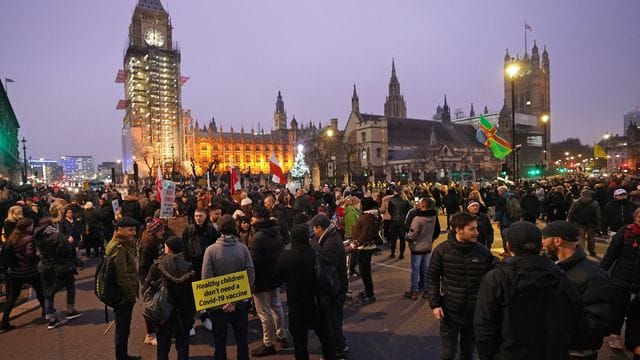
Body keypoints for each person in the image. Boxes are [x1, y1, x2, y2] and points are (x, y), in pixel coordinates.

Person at [474, 221, 581, 360]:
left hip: (509, 353)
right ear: (540, 245)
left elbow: (484, 326)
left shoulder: (496, 278)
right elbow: (572, 315)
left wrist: (487, 355)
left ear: (508, 246)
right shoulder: (559, 274)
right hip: (550, 352)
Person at [541, 221, 612, 360]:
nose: (542, 242)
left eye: (545, 238)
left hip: (576, 352)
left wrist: (561, 336)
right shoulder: (556, 266)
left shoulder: (593, 277)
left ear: (557, 241)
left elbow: (598, 323)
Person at [427, 212, 494, 360]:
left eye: (477, 228)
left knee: (468, 351)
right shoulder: (442, 250)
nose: (477, 232)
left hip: (474, 312)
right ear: (458, 230)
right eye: (472, 229)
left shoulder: (483, 252)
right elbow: (432, 277)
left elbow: (492, 279)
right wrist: (435, 304)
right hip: (450, 311)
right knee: (448, 352)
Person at [276, 224, 336, 360]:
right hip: (316, 301)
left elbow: (278, 272)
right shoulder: (315, 251)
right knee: (325, 336)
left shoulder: (287, 255)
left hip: (297, 304)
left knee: (300, 342)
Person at [202, 214, 255, 360]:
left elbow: (206, 279)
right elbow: (250, 274)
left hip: (218, 306)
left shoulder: (211, 251)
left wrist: (222, 300)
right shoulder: (243, 249)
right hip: (241, 303)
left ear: (219, 228)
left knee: (220, 342)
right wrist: (235, 300)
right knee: (242, 340)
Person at [143, 236, 196, 360]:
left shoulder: (157, 266)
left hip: (163, 312)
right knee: (183, 346)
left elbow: (146, 288)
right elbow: (193, 293)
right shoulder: (189, 267)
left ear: (168, 248)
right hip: (183, 313)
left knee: (163, 346)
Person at [250, 206, 288, 357]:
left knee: (264, 313)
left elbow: (253, 262)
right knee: (276, 307)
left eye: (253, 216)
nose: (251, 219)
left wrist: (251, 280)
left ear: (260, 218)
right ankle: (282, 335)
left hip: (261, 280)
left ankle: (268, 343)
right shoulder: (275, 231)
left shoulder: (258, 237)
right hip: (274, 276)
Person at [601, 207, 640, 350]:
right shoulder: (626, 231)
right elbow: (611, 253)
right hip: (621, 277)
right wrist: (601, 272)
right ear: (635, 217)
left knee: (636, 312)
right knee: (617, 308)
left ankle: (633, 341)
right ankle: (614, 335)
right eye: (638, 216)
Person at [34, 217, 82, 330]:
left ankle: (51, 319)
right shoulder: (57, 237)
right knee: (70, 286)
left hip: (45, 266)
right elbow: (67, 250)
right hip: (61, 266)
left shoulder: (37, 237)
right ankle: (70, 311)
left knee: (48, 293)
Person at [311, 214, 349, 358]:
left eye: (314, 228)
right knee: (333, 320)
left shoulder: (330, 243)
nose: (313, 231)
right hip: (336, 286)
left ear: (320, 228)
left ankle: (339, 350)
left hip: (335, 288)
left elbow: (327, 269)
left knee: (333, 320)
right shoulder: (329, 237)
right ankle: (339, 346)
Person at [105, 216, 141, 360]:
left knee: (123, 329)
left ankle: (123, 355)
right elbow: (122, 277)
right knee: (122, 329)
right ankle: (122, 357)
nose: (133, 233)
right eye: (130, 230)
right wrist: (131, 295)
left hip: (120, 295)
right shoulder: (119, 248)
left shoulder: (118, 244)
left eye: (134, 230)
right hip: (122, 297)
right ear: (120, 230)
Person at [0, 218, 45, 331]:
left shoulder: (13, 238)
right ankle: (46, 310)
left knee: (12, 297)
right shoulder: (29, 238)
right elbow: (30, 254)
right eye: (31, 225)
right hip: (30, 270)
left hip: (16, 272)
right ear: (27, 227)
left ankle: (4, 321)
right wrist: (38, 258)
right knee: (40, 291)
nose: (32, 227)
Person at [182, 207, 220, 333]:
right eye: (196, 216)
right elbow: (184, 249)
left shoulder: (211, 230)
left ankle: (205, 317)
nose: (198, 218)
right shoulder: (188, 230)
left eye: (201, 216)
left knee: (205, 295)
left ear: (206, 216)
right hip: (192, 268)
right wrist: (187, 266)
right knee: (191, 297)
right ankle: (191, 322)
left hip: (207, 267)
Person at [404, 197, 439, 300]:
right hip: (428, 246)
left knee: (415, 270)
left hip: (417, 247)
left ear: (423, 206)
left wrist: (407, 237)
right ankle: (426, 290)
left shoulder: (417, 219)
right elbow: (436, 230)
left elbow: (412, 234)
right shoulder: (433, 217)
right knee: (426, 268)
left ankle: (414, 291)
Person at [138, 217, 166, 346]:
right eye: (161, 229)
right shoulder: (148, 245)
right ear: (155, 231)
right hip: (150, 281)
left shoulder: (156, 240)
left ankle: (156, 331)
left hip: (157, 279)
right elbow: (143, 266)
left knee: (158, 306)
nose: (164, 231)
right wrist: (146, 283)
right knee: (150, 308)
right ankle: (149, 335)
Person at [349, 197, 380, 304]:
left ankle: (369, 294)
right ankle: (368, 291)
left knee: (365, 272)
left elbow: (365, 233)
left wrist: (355, 244)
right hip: (366, 247)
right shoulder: (369, 216)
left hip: (365, 248)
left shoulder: (367, 217)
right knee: (365, 270)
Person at [567, 189, 601, 257]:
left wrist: (570, 221)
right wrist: (598, 225)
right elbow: (598, 215)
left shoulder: (576, 202)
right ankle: (591, 251)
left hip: (579, 223)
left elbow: (570, 213)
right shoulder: (595, 203)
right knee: (591, 238)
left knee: (581, 238)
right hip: (591, 224)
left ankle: (581, 252)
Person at [387, 186, 412, 259]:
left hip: (394, 221)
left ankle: (392, 252)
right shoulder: (405, 199)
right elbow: (410, 209)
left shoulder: (391, 200)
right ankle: (401, 253)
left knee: (393, 238)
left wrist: (394, 216)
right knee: (402, 238)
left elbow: (390, 210)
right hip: (403, 221)